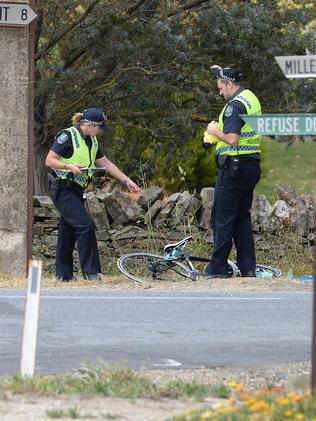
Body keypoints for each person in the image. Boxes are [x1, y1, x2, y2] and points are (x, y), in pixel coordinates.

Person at [45, 107, 141, 281]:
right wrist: (69, 167)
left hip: (76, 189)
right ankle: (91, 272)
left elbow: (107, 164)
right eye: (99, 128)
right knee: (85, 225)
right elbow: (49, 160)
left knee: (68, 230)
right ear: (88, 124)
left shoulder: (92, 140)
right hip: (62, 188)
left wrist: (127, 180)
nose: (101, 131)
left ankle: (63, 276)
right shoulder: (67, 137)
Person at [203, 65, 262, 278]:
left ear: (230, 84)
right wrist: (219, 70)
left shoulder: (234, 106)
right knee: (241, 218)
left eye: (221, 87)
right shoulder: (250, 98)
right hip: (251, 165)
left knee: (223, 217)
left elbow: (232, 138)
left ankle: (217, 268)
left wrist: (213, 131)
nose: (220, 92)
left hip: (234, 167)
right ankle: (248, 268)